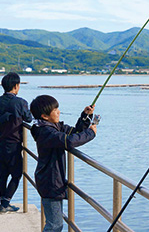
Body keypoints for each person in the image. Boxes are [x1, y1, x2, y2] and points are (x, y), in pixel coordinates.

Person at [30, 95, 97, 232]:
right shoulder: (46, 132)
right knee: (55, 225)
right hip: (50, 182)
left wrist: (85, 116)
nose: (58, 112)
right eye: (55, 110)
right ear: (44, 116)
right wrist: (91, 133)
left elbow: (74, 132)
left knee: (55, 223)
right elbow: (70, 141)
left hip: (51, 180)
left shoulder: (51, 127)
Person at [0, 72, 32, 213]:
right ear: (16, 86)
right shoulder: (20, 102)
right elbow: (29, 118)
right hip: (13, 144)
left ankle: (2, 202)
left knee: (2, 174)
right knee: (16, 174)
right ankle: (5, 202)